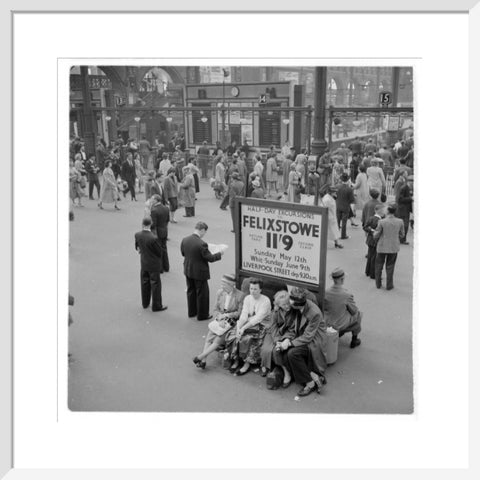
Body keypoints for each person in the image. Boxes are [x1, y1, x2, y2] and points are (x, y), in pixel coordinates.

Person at [271, 287, 328, 396]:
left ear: (297, 305)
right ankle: (312, 376)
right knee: (285, 352)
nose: (288, 305)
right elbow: (292, 327)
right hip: (300, 336)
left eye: (290, 303)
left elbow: (307, 337)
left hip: (313, 341)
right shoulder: (298, 306)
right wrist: (286, 340)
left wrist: (290, 343)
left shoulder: (313, 313)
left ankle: (310, 383)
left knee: (292, 353)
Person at [192, 274, 245, 369]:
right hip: (220, 319)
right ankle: (203, 360)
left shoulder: (240, 295)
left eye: (224, 284)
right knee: (209, 337)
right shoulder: (220, 292)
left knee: (218, 339)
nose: (221, 286)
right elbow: (215, 309)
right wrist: (219, 318)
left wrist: (226, 316)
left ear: (231, 284)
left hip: (232, 322)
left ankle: (200, 357)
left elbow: (239, 313)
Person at [225, 278, 271, 376]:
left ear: (260, 290)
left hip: (260, 325)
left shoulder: (265, 301)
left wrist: (243, 328)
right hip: (247, 323)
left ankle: (246, 364)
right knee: (234, 335)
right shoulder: (247, 298)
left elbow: (258, 318)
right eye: (251, 288)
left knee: (248, 338)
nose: (252, 291)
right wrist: (239, 327)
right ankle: (236, 360)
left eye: (255, 289)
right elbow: (244, 314)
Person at [180, 222, 224, 321]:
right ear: (202, 230)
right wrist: (219, 253)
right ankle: (202, 315)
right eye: (205, 232)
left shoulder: (185, 240)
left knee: (191, 291)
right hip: (199, 272)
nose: (204, 234)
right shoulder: (202, 244)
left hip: (188, 269)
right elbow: (210, 258)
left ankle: (192, 312)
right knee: (202, 293)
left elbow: (183, 253)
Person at [134, 217, 168, 312]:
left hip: (144, 262)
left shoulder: (137, 235)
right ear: (150, 224)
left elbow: (137, 247)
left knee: (144, 282)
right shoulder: (153, 238)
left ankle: (145, 303)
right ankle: (156, 305)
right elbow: (159, 252)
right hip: (153, 264)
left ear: (142, 224)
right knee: (155, 284)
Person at [324, 268, 363, 348]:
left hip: (327, 321)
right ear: (342, 279)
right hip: (340, 324)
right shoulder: (346, 295)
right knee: (358, 314)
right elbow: (354, 311)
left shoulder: (326, 292)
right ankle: (354, 340)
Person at [260, 290, 293, 381]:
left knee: (276, 350)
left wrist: (284, 339)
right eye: (284, 305)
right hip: (274, 334)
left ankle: (286, 371)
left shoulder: (293, 311)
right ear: (279, 305)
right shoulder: (275, 312)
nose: (287, 306)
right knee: (265, 349)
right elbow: (273, 327)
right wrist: (277, 340)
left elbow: (292, 329)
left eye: (287, 303)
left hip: (287, 335)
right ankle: (265, 365)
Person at [374, 204, 405, 290]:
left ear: (387, 211)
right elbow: (402, 235)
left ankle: (378, 284)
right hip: (393, 246)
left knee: (379, 266)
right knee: (390, 266)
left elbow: (376, 235)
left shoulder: (382, 222)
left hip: (382, 246)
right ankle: (389, 285)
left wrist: (374, 234)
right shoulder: (400, 221)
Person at [149, 194, 170, 272]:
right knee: (164, 248)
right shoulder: (166, 208)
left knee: (158, 250)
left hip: (157, 232)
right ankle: (166, 266)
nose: (151, 200)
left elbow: (153, 224)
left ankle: (160, 268)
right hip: (164, 230)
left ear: (155, 200)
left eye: (152, 199)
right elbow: (168, 220)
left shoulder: (154, 210)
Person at [363, 203, 384, 279]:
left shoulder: (371, 218)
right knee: (374, 257)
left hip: (369, 240)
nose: (383, 212)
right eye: (382, 210)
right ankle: (373, 274)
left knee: (370, 256)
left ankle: (367, 271)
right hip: (375, 240)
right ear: (377, 210)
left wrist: (371, 230)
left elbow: (365, 227)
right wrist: (373, 231)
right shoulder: (380, 220)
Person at [335, 173, 355, 240]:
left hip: (338, 205)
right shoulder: (349, 189)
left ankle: (336, 234)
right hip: (346, 206)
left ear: (341, 179)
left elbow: (334, 196)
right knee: (344, 222)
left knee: (337, 220)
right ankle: (343, 235)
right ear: (348, 180)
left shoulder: (337, 187)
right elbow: (352, 200)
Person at [397, 175, 414, 244]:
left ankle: (402, 239)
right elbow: (400, 199)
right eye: (411, 182)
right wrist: (410, 198)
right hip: (403, 209)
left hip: (406, 209)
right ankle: (402, 239)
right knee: (404, 225)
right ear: (408, 182)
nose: (412, 183)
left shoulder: (408, 188)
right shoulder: (404, 188)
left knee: (405, 225)